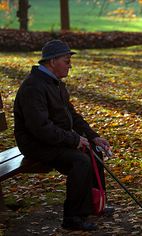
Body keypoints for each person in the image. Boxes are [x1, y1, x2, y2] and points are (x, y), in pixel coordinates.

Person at [14, 40, 114, 231]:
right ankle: (72, 217)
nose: (70, 65)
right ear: (52, 62)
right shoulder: (33, 87)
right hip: (35, 143)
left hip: (53, 138)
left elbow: (73, 116)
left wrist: (93, 137)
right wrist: (74, 140)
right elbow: (40, 128)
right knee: (80, 161)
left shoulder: (55, 83)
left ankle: (95, 204)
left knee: (94, 151)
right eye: (66, 61)